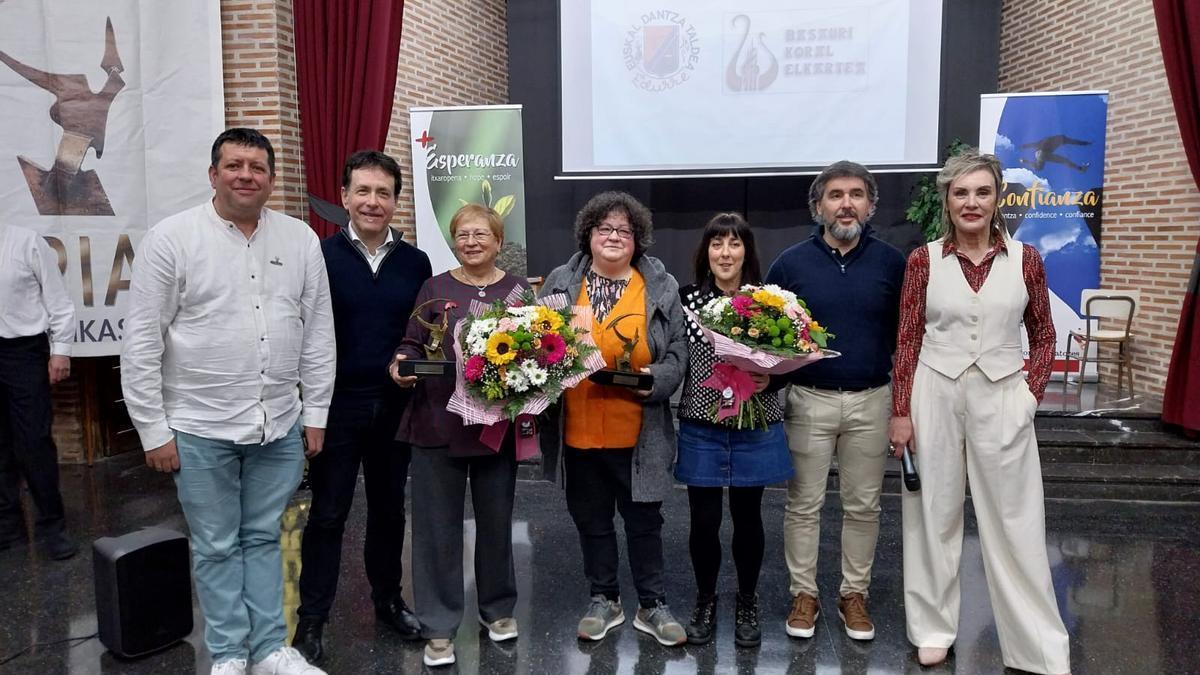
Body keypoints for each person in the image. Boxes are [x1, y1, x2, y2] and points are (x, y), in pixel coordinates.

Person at [121, 128, 334, 675]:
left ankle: (268, 650)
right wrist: (153, 431)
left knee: (265, 537)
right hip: (197, 425)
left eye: (257, 167)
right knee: (215, 546)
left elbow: (317, 334)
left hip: (279, 424)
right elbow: (142, 339)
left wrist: (315, 415)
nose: (246, 175)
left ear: (270, 179)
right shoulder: (172, 239)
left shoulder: (299, 240)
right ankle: (230, 654)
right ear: (213, 173)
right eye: (235, 165)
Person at [889, 151, 1070, 673]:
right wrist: (901, 411)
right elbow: (906, 340)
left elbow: (1043, 334)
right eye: (960, 192)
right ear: (947, 200)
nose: (971, 202)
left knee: (1016, 519)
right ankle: (932, 628)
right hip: (934, 392)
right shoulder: (923, 260)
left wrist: (1030, 394)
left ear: (997, 200)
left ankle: (1035, 643)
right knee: (933, 517)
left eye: (982, 192)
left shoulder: (1027, 259)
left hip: (1003, 396)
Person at [291, 151, 431, 663]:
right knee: (328, 514)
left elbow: (423, 336)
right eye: (363, 192)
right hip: (337, 405)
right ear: (345, 197)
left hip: (397, 405)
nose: (373, 202)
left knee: (390, 511)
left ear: (396, 201)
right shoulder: (318, 257)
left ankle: (388, 601)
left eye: (384, 193)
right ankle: (312, 619)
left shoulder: (416, 263)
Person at [538, 191, 689, 648]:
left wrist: (652, 380)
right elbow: (535, 341)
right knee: (592, 519)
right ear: (589, 233)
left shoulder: (661, 287)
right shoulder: (560, 284)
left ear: (637, 239)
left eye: (624, 230)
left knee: (645, 521)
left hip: (638, 433)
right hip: (579, 428)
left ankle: (652, 603)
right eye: (605, 228)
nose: (614, 237)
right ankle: (604, 597)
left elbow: (679, 354)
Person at [764, 161, 906, 642]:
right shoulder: (789, 264)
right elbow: (769, 337)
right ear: (818, 205)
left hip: (872, 400)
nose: (846, 203)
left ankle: (854, 595)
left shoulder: (893, 263)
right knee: (803, 505)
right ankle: (804, 594)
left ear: (870, 204)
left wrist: (903, 406)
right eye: (836, 195)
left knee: (864, 507)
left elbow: (905, 339)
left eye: (856, 194)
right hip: (809, 399)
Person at [387, 203, 529, 669]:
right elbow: (412, 341)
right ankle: (440, 627)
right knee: (435, 532)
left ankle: (498, 610)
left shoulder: (516, 291)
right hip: (435, 424)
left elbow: (537, 355)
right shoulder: (434, 287)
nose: (471, 242)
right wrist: (401, 364)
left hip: (494, 430)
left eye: (480, 235)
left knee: (495, 525)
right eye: (462, 235)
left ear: (498, 242)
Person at [675, 213, 793, 647]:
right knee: (703, 522)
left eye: (735, 243)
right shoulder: (686, 300)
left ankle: (747, 599)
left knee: (748, 518)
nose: (726, 252)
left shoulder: (769, 302)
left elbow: (791, 357)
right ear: (706, 252)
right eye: (717, 244)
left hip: (754, 423)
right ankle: (706, 599)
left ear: (747, 251)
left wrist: (773, 379)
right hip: (701, 424)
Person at [0, 223, 77, 560]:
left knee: (34, 441)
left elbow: (57, 298)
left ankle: (52, 526)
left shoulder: (25, 241)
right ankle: (8, 525)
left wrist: (61, 349)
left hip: (23, 352)